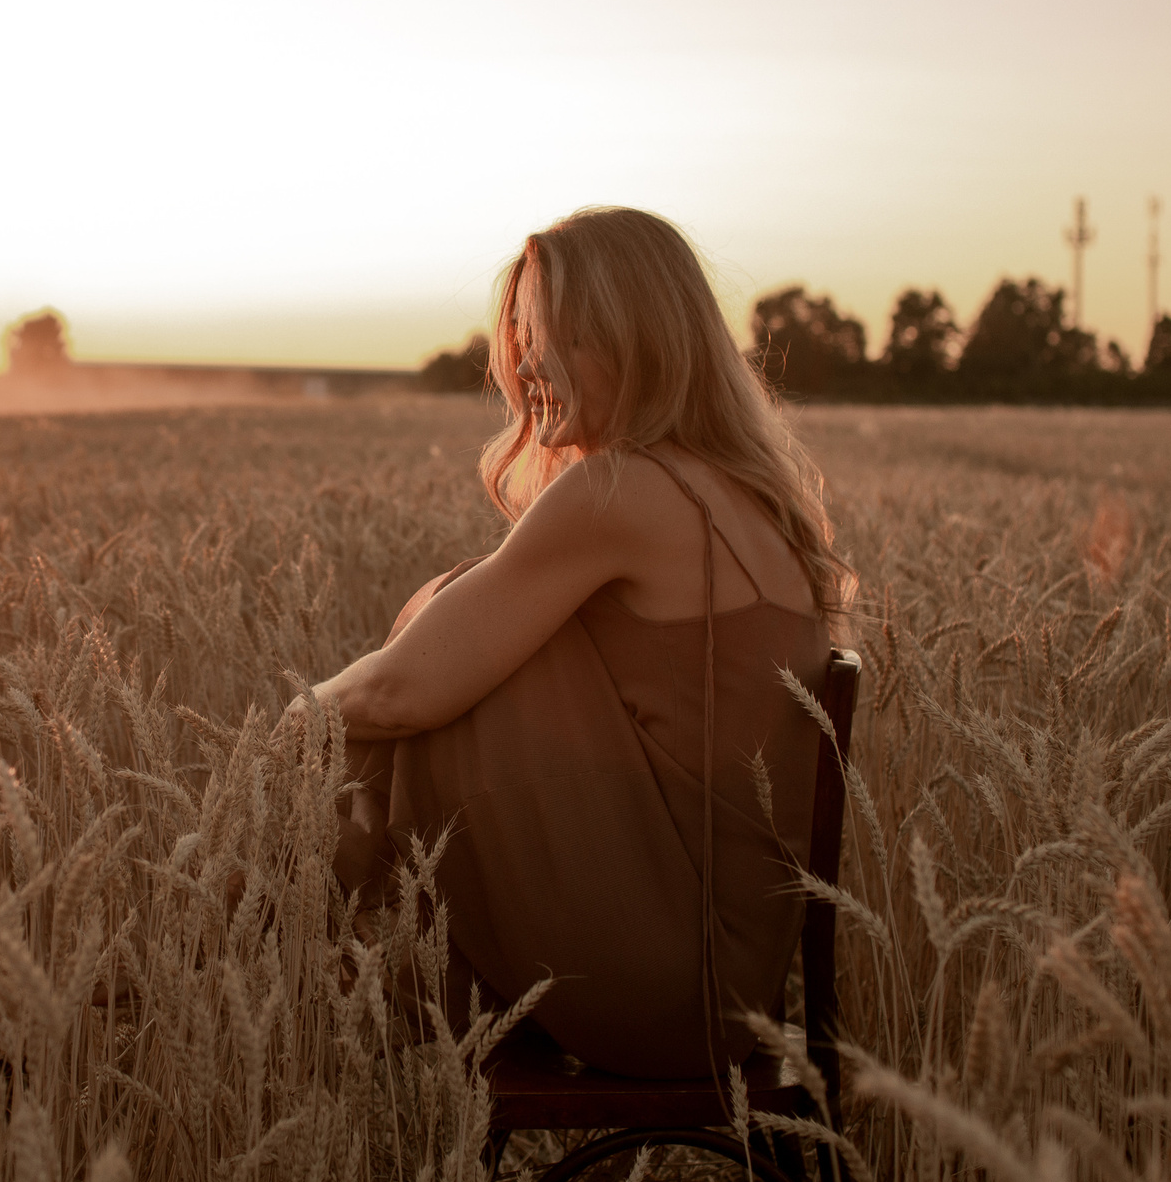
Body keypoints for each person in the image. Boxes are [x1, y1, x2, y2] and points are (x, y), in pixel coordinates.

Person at [312, 206, 856, 1079]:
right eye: (522, 333)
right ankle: (262, 933)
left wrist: (277, 738)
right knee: (466, 646)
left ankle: (218, 939)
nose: (525, 363)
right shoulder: (739, 495)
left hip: (660, 980)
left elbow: (397, 694)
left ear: (631, 341)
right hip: (722, 985)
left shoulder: (625, 490)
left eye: (553, 335)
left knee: (431, 670)